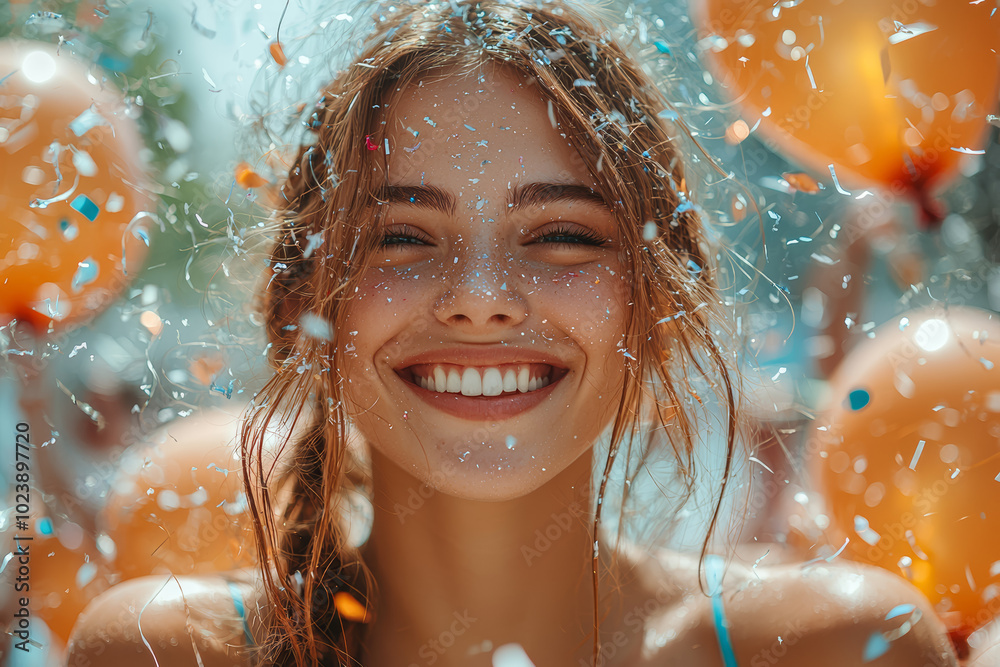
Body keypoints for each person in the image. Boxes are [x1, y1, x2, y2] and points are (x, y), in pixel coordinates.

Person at [66, 0, 973, 665]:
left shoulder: (840, 647)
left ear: (656, 306)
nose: (481, 297)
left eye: (562, 235)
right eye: (404, 237)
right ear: (311, 307)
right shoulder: (158, 652)